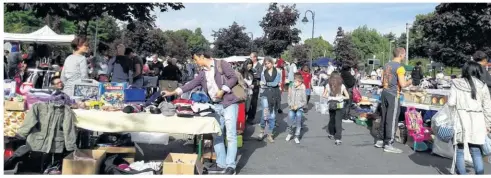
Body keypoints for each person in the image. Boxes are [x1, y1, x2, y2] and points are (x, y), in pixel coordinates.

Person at [162, 51, 239, 175]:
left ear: (203, 57)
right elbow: (191, 84)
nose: (195, 62)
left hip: (229, 103)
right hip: (215, 106)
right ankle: (221, 164)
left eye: (196, 59)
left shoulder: (221, 64)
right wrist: (172, 92)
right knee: (217, 134)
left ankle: (230, 166)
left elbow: (233, 78)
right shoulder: (203, 73)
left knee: (230, 135)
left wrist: (222, 90)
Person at [448, 61, 491, 175]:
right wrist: (488, 125)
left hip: (460, 119)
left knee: (460, 150)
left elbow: (451, 102)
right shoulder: (483, 86)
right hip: (478, 120)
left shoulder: (456, 83)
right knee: (476, 151)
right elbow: (488, 108)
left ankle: (462, 174)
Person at [375, 47, 412, 153]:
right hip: (393, 94)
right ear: (401, 55)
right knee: (392, 119)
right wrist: (411, 81)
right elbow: (403, 84)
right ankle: (389, 143)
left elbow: (382, 81)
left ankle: (380, 140)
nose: (404, 56)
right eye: (404, 54)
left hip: (385, 92)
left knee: (384, 116)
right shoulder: (400, 67)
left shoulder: (386, 65)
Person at [257, 57, 281, 143]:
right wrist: (265, 84)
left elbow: (276, 83)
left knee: (273, 115)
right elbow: (261, 84)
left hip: (274, 94)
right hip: (265, 94)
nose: (267, 65)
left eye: (269, 63)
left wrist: (266, 83)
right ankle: (262, 131)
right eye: (266, 64)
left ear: (272, 63)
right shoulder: (264, 72)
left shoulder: (278, 72)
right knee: (265, 114)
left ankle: (270, 134)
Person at [323, 71, 350, 145]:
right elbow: (347, 97)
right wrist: (341, 97)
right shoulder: (342, 86)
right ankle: (338, 138)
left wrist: (330, 97)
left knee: (332, 119)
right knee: (338, 121)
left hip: (331, 104)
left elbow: (324, 95)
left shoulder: (328, 85)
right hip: (339, 105)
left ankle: (331, 133)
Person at [286, 73, 307, 144]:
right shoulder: (291, 87)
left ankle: (297, 135)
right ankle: (290, 133)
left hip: (299, 108)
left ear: (300, 82)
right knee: (290, 118)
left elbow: (304, 101)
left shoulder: (302, 88)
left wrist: (297, 106)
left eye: (296, 81)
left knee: (298, 117)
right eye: (294, 81)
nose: (294, 82)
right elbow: (289, 97)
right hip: (292, 107)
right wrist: (290, 105)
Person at [246, 52, 263, 125]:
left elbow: (259, 75)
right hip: (248, 86)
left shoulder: (259, 66)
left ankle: (251, 118)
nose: (250, 58)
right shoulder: (248, 64)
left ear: (255, 57)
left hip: (255, 86)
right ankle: (246, 115)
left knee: (253, 102)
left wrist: (252, 73)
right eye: (250, 57)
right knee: (247, 101)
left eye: (251, 57)